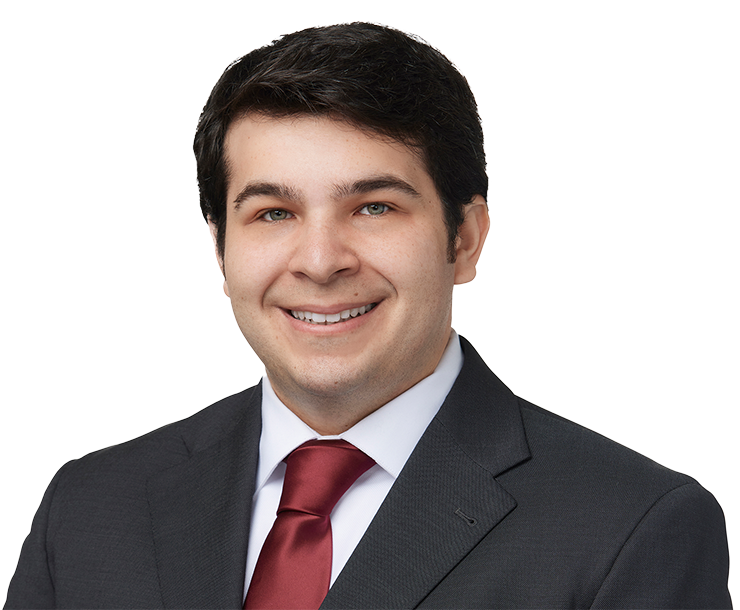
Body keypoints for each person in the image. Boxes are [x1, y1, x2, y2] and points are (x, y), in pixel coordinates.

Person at [6, 21, 732, 609]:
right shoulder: (91, 508)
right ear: (220, 249)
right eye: (273, 212)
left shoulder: (631, 529)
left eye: (374, 207)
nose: (321, 261)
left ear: (464, 239)